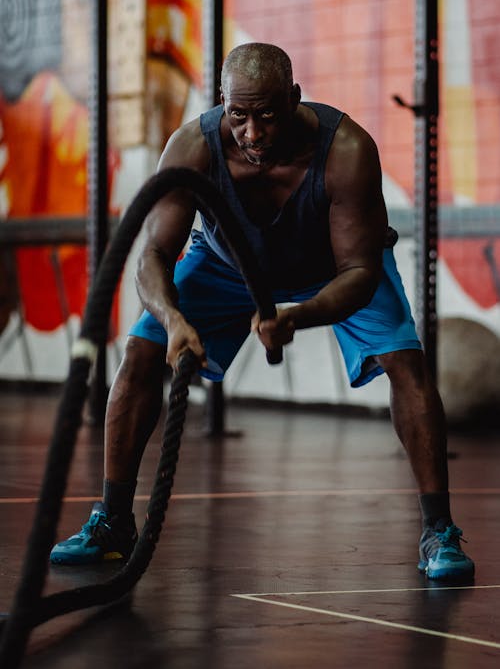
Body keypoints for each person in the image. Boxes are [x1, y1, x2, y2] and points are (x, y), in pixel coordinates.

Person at [50, 43, 474, 580]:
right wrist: (175, 321)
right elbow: (152, 257)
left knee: (405, 363)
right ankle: (112, 522)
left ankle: (439, 531)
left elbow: (361, 275)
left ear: (294, 100)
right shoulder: (192, 148)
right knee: (141, 350)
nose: (252, 133)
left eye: (267, 115)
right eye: (239, 116)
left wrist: (295, 317)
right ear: (222, 103)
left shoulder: (346, 150)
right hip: (224, 264)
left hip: (334, 268)